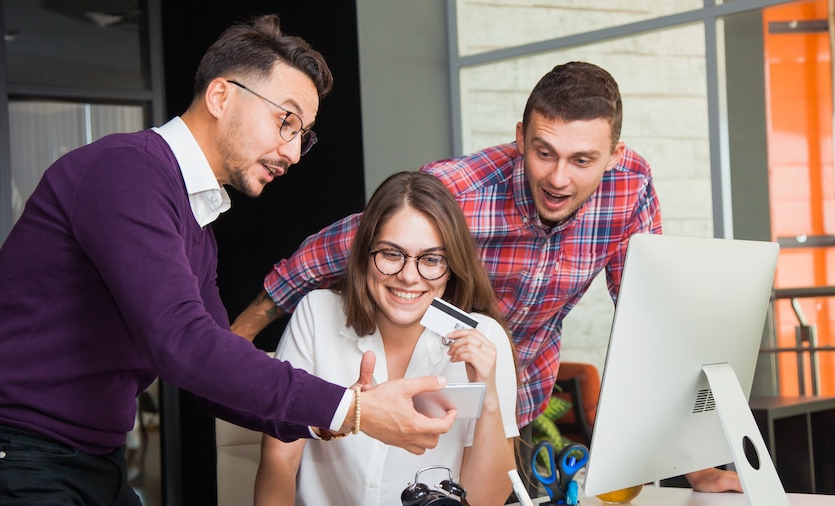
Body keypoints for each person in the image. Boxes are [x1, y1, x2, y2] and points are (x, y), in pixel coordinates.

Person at [0, 15, 456, 505]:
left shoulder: (194, 223)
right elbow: (182, 343)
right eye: (286, 121)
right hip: (8, 451)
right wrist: (351, 408)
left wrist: (336, 408)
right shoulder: (127, 172)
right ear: (220, 95)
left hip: (88, 459)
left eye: (303, 133)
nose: (294, 151)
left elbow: (210, 366)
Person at [232, 61, 742, 493]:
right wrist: (238, 339)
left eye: (582, 160)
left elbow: (648, 324)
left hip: (517, 390)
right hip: (434, 369)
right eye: (544, 153)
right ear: (521, 138)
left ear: (614, 154)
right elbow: (337, 248)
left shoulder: (630, 189)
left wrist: (691, 465)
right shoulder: (459, 190)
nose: (559, 178)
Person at [254, 171, 520, 505]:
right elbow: (279, 459)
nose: (409, 276)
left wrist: (489, 398)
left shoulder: (483, 338)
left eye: (432, 259)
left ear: (451, 266)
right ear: (366, 254)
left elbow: (486, 501)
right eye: (392, 254)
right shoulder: (317, 315)